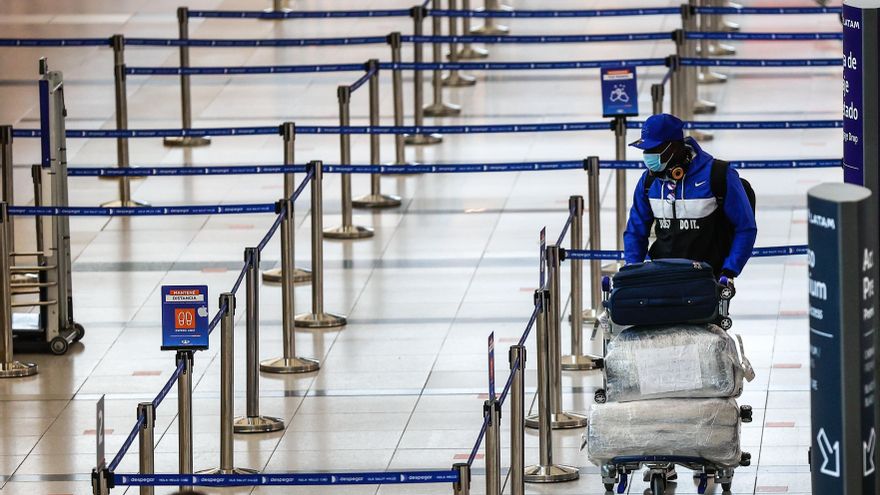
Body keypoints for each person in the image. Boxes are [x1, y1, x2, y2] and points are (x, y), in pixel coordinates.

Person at [624, 113, 757, 282]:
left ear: (674, 147)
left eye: (654, 150)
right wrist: (632, 269)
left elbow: (745, 228)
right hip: (661, 278)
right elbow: (636, 231)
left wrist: (729, 271)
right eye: (646, 151)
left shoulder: (718, 175)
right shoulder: (649, 181)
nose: (648, 156)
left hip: (708, 279)